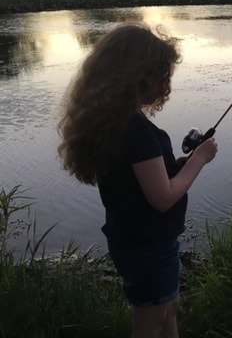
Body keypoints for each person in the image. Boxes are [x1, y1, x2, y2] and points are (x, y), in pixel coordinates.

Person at [58, 23, 218, 338]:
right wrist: (199, 160)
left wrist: (177, 167)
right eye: (163, 76)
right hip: (148, 246)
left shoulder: (117, 123)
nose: (166, 84)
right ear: (140, 78)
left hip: (135, 239)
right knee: (151, 321)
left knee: (168, 310)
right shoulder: (136, 131)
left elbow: (138, 181)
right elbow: (162, 197)